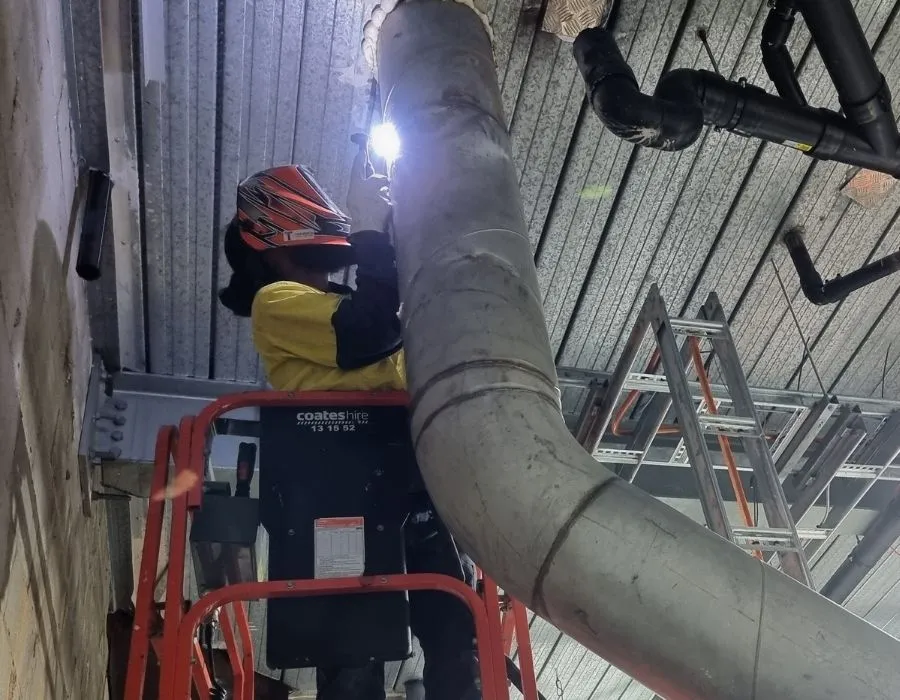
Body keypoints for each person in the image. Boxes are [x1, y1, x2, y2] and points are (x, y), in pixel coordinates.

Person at [218, 146, 481, 700]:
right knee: (355, 646)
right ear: (273, 234)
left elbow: (386, 328)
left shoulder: (345, 301)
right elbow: (365, 334)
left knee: (459, 629)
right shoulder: (277, 301)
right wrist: (372, 240)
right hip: (340, 489)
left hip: (409, 476)